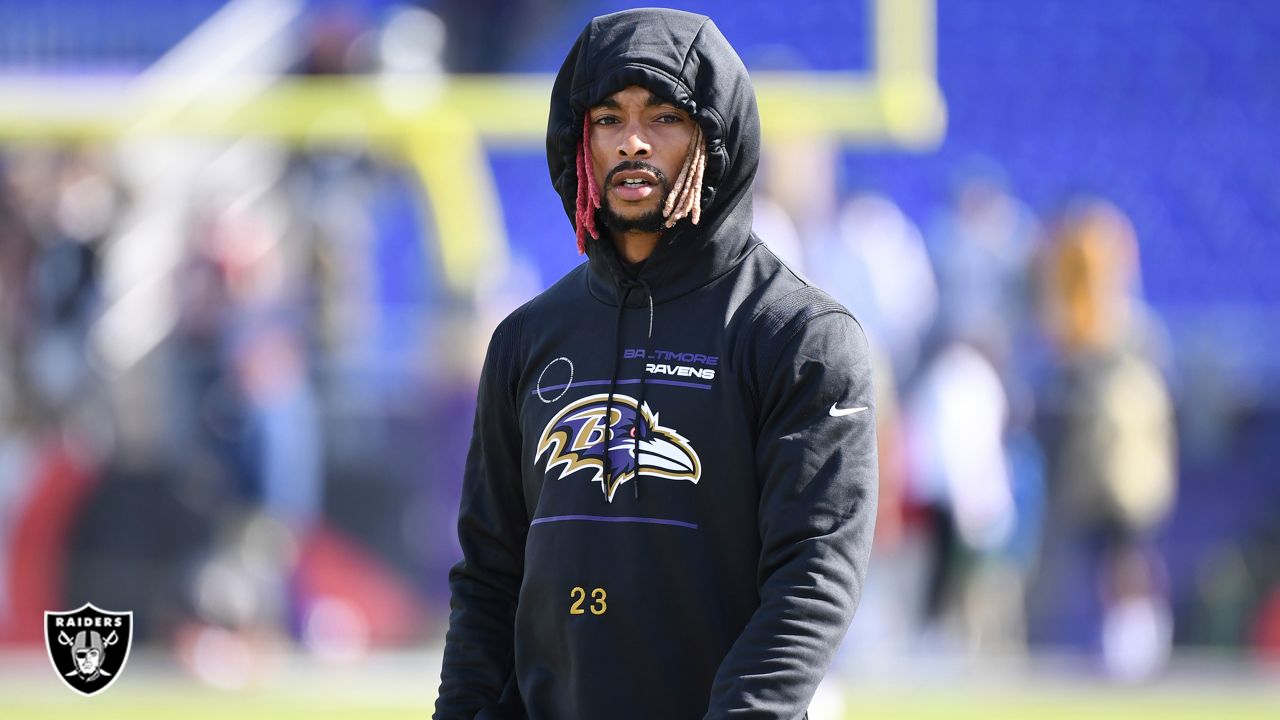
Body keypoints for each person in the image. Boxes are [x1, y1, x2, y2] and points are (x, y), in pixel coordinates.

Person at [433, 9, 878, 719]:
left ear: (715, 136)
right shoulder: (527, 338)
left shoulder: (800, 337)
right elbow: (489, 579)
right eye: (608, 118)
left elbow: (812, 577)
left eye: (664, 117)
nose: (632, 142)